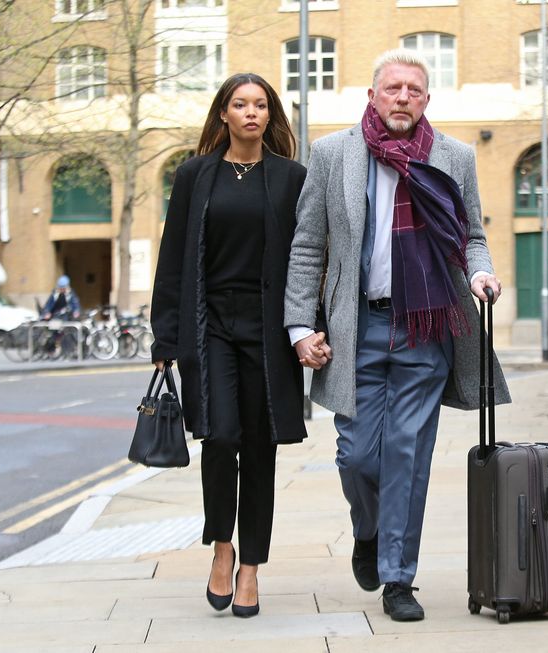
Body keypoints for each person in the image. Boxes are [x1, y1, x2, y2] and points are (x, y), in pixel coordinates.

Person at [284, 49, 509, 622]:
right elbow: (308, 245)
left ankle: (398, 579)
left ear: (427, 100)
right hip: (356, 326)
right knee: (358, 457)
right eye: (393, 89)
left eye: (414, 89)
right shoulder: (333, 153)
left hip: (424, 325)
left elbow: (473, 234)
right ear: (373, 96)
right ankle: (369, 531)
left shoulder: (453, 157)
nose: (403, 97)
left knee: (407, 455)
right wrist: (300, 326)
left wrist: (480, 270)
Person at [150, 73, 307, 619]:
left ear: (270, 115)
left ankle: (251, 568)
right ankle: (222, 548)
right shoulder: (196, 175)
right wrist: (164, 334)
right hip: (209, 323)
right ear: (223, 113)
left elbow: (307, 260)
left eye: (260, 105)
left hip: (267, 330)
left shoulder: (291, 178)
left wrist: (308, 328)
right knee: (218, 439)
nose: (250, 113)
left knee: (260, 448)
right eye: (240, 104)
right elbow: (172, 258)